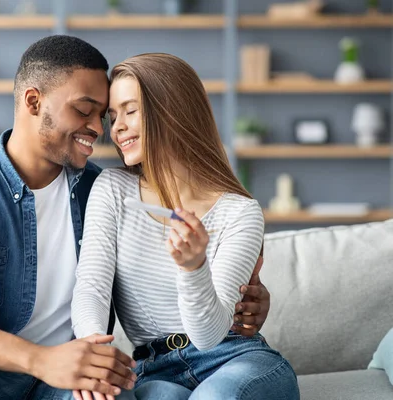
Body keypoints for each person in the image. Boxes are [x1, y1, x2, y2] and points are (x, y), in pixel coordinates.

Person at [0, 36, 271, 400]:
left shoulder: (100, 190)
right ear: (33, 102)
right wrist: (39, 359)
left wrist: (240, 297)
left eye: (104, 115)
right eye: (86, 111)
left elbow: (143, 274)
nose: (101, 129)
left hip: (71, 383)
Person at [71, 53, 299, 400]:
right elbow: (92, 287)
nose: (115, 128)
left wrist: (194, 268)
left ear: (171, 110)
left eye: (130, 111)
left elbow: (210, 336)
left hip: (234, 359)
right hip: (155, 368)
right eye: (113, 116)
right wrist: (91, 352)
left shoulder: (240, 212)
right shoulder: (112, 190)